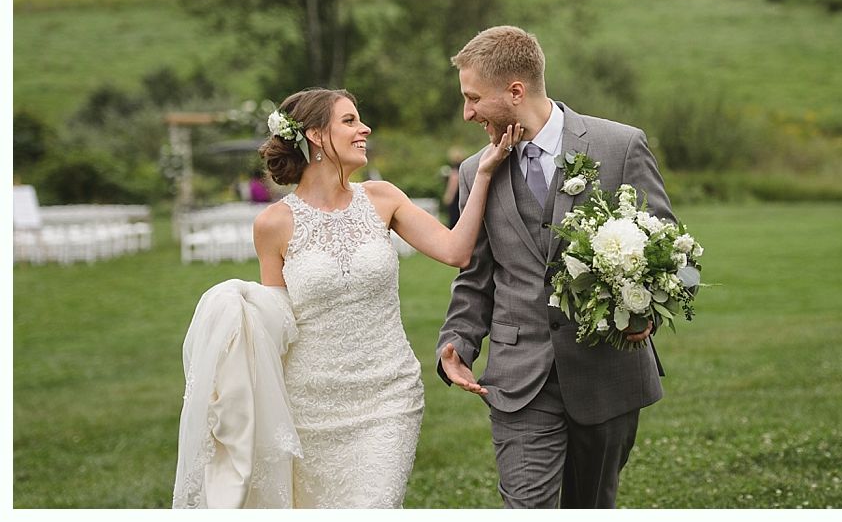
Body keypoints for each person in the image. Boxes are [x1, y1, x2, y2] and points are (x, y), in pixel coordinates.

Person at [436, 26, 676, 508]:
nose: (467, 113)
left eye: (473, 98)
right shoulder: (473, 172)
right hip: (518, 377)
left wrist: (646, 310)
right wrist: (457, 340)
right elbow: (476, 275)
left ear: (516, 91)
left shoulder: (619, 146)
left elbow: (666, 248)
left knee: (591, 505)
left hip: (606, 372)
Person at [251, 88, 520, 508]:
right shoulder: (273, 225)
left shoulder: (383, 198)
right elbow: (275, 323)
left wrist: (483, 174)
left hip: (387, 397)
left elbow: (456, 252)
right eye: (350, 121)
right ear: (317, 136)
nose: (365, 129)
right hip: (309, 406)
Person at [441, 146, 465, 228]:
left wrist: (448, 198)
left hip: (455, 200)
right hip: (462, 197)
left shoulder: (455, 170)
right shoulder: (464, 168)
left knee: (453, 220)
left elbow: (453, 185)